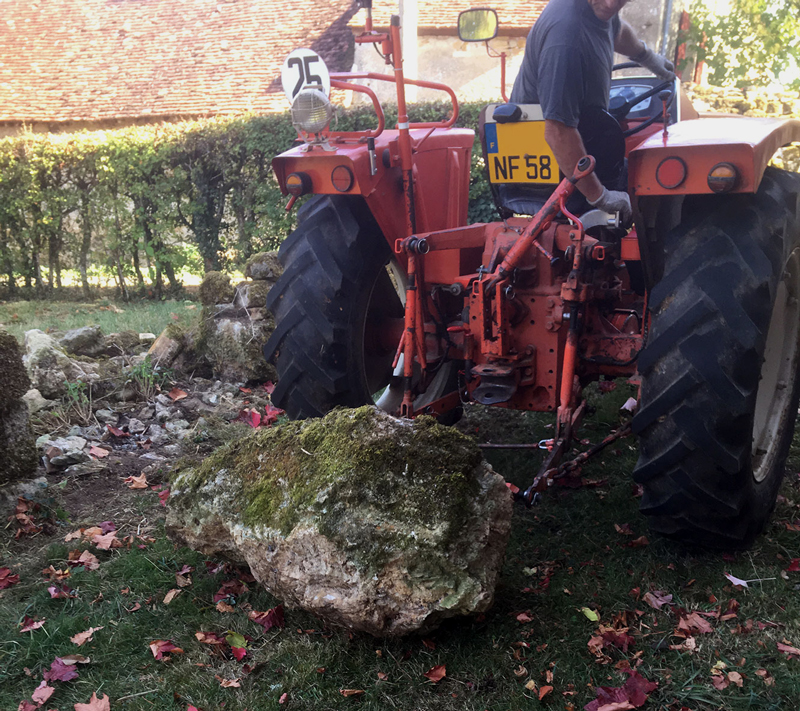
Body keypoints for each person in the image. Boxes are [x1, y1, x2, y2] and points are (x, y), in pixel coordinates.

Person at [509, 0, 676, 222]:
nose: (610, 4)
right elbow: (557, 132)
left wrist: (646, 56)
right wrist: (601, 197)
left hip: (575, 149)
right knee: (659, 184)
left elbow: (616, 31)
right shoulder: (567, 38)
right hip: (558, 163)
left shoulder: (596, 11)